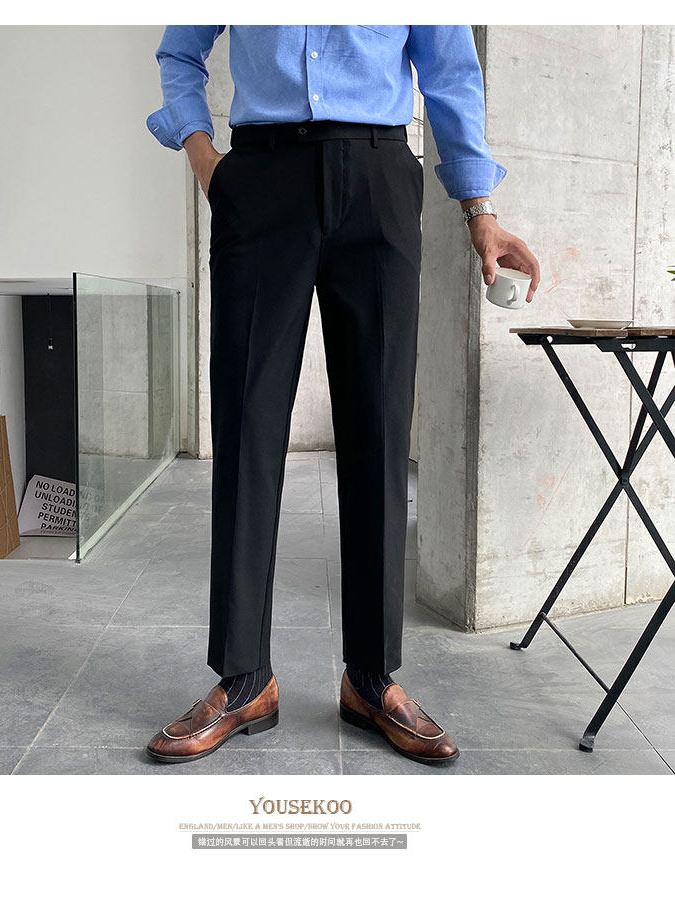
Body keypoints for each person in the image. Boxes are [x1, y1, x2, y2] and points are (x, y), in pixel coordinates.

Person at [144, 25, 540, 767]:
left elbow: (450, 72)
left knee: (379, 431)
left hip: (379, 178)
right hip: (260, 178)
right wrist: (203, 157)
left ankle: (371, 678)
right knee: (246, 426)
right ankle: (244, 679)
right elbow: (179, 52)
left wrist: (479, 210)